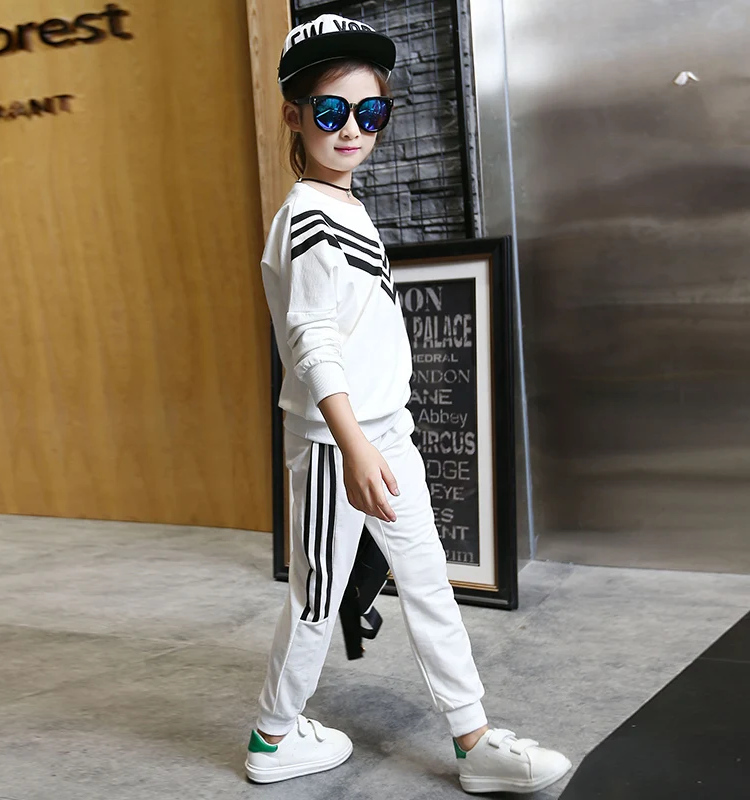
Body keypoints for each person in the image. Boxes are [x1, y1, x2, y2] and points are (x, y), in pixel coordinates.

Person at [245, 13, 572, 795]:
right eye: (331, 110)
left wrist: (379, 435)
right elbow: (312, 338)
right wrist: (356, 446)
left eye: (370, 112)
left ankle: (474, 739)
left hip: (382, 434)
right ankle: (272, 737)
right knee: (319, 598)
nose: (351, 129)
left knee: (427, 581)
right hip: (339, 445)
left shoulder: (342, 205)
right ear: (293, 114)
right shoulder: (310, 218)